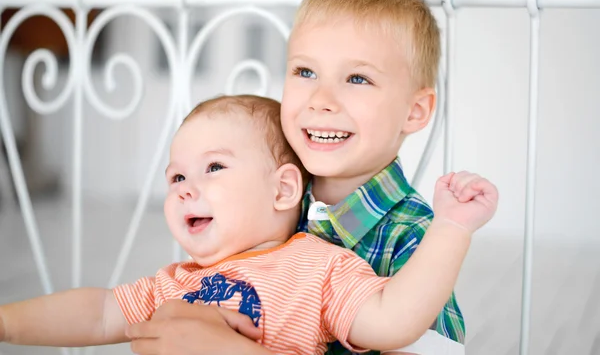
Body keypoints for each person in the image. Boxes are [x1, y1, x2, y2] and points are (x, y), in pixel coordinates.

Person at [128, 0, 470, 355]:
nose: (320, 99)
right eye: (305, 72)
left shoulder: (416, 240)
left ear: (414, 111)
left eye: (357, 78)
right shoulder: (266, 194)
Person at [0, 95, 498, 355]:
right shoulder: (175, 283)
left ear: (283, 190)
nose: (185, 188)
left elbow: (395, 320)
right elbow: (98, 312)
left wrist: (451, 227)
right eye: (176, 176)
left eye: (213, 168)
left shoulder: (319, 268)